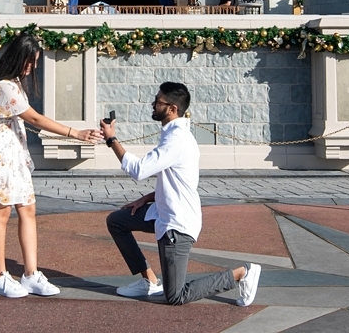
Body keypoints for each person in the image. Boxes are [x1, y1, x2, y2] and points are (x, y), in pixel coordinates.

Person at [100, 82, 261, 306]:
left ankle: (242, 273)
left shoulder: (177, 140)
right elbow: (176, 180)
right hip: (162, 212)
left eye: (158, 102)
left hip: (177, 224)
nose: (153, 105)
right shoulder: (173, 135)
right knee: (117, 221)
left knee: (175, 296)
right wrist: (148, 198)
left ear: (172, 108)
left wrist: (111, 139)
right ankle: (149, 280)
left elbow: (139, 170)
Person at [0, 31, 102, 298]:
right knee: (2, 211)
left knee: (27, 208)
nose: (31, 67)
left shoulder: (13, 83)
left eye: (34, 62)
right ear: (18, 58)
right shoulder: (4, 85)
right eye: (29, 62)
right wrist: (75, 133)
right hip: (2, 149)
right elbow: (35, 119)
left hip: (13, 148)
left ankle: (31, 274)